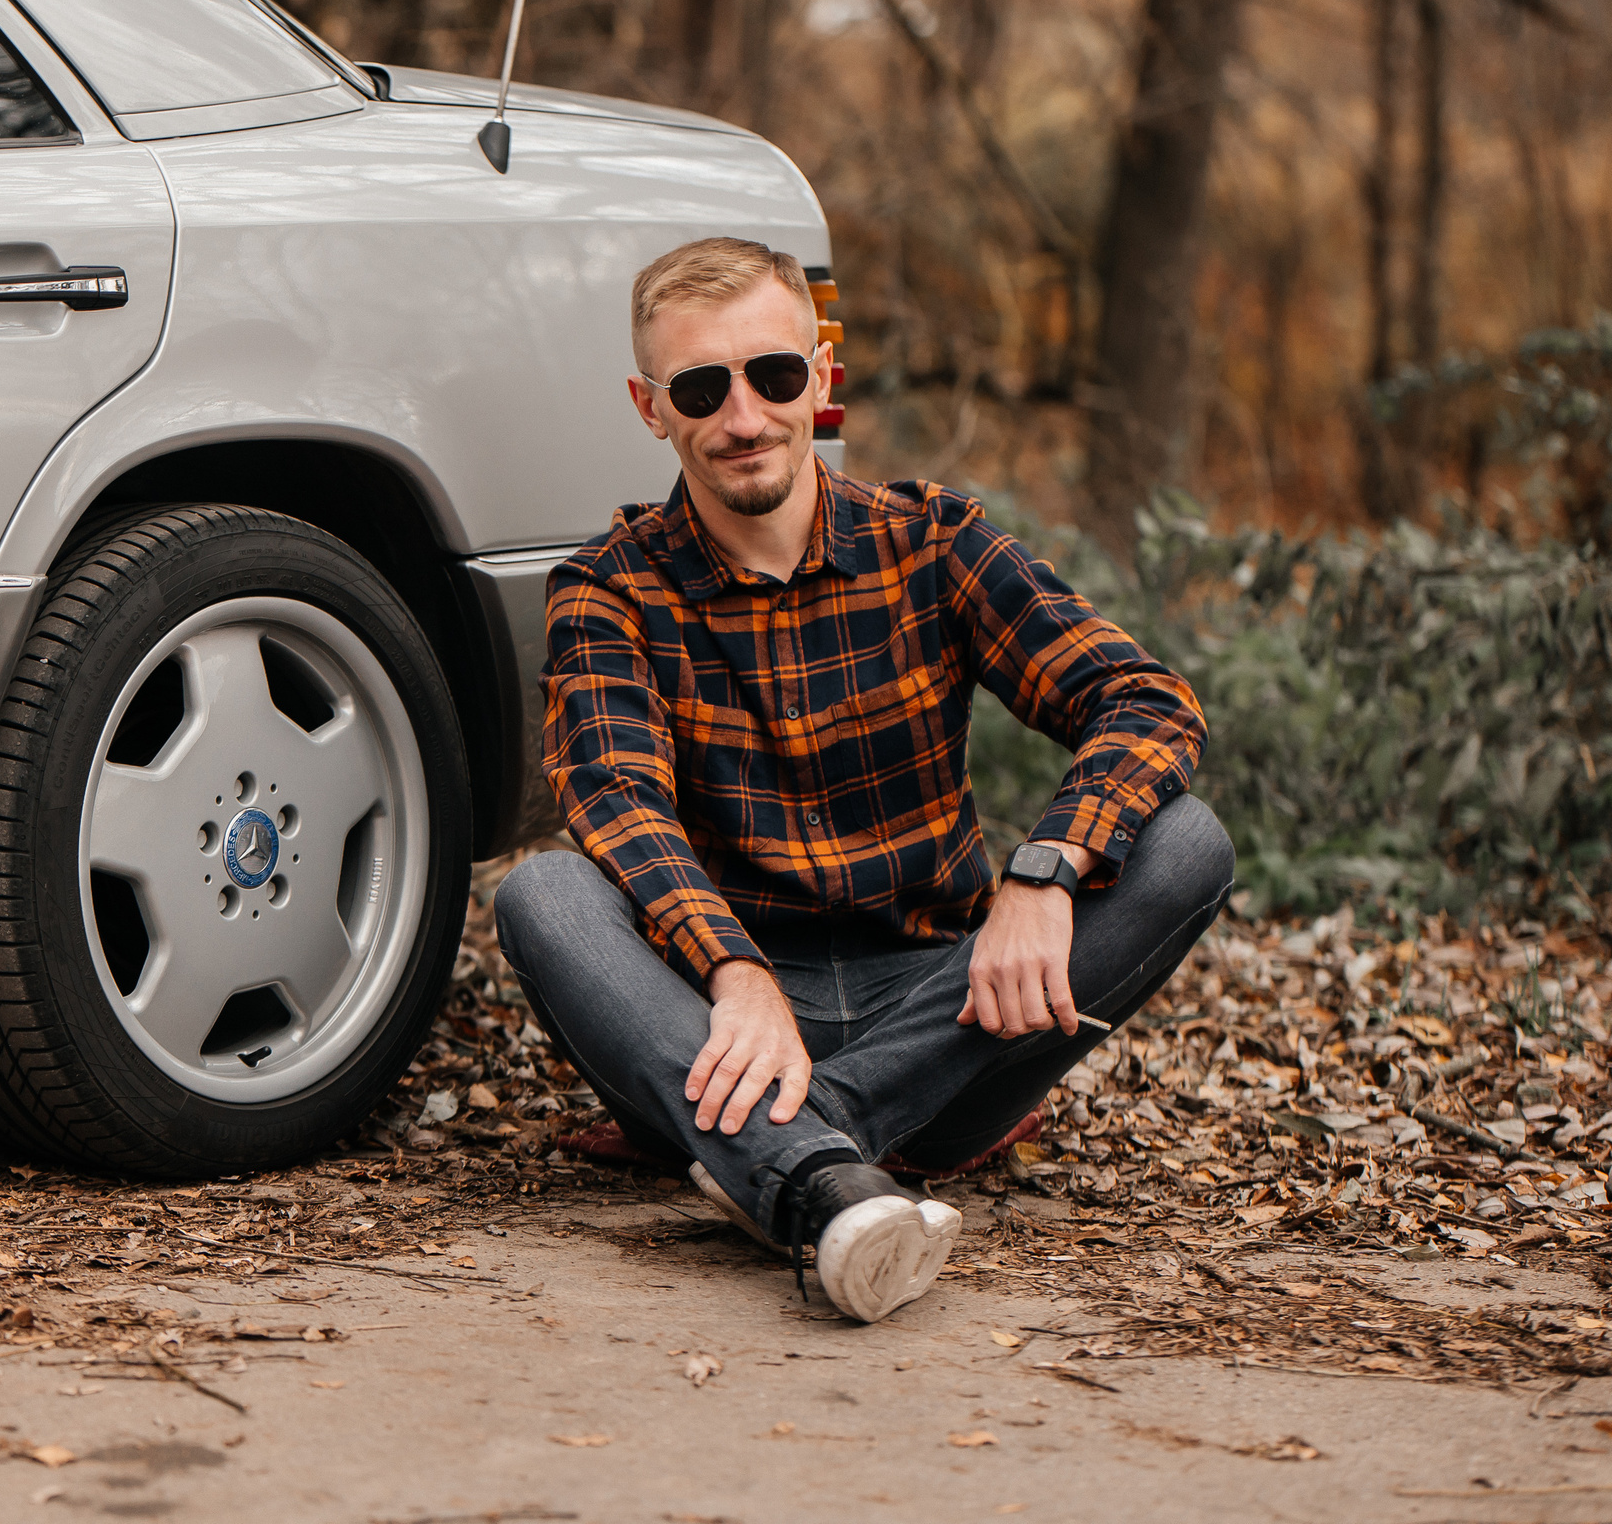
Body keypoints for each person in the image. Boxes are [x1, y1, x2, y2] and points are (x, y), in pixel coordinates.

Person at [493, 237, 1235, 1324]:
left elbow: (1144, 699)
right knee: (543, 894)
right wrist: (735, 974)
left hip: (952, 1022)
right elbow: (616, 798)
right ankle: (821, 1173)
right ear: (650, 409)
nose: (743, 416)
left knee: (1187, 843)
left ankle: (795, 1147)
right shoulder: (608, 590)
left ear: (821, 377)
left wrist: (1044, 872)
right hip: (720, 1029)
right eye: (700, 389)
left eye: (771, 375)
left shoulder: (931, 543)